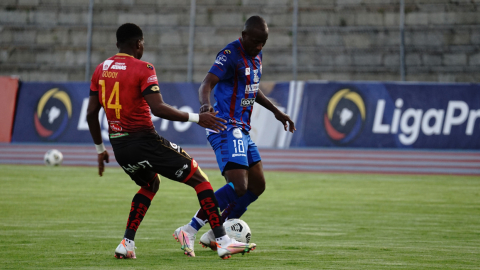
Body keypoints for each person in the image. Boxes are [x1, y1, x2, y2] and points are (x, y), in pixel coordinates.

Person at [86, 23, 256, 260]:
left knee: (150, 184)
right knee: (202, 181)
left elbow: (91, 113)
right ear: (138, 44)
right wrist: (198, 118)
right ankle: (223, 240)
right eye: (142, 43)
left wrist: (100, 149)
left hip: (119, 147)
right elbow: (158, 108)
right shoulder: (143, 68)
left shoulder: (100, 70)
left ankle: (127, 243)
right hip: (146, 142)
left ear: (117, 45)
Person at [174, 16, 296, 252]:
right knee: (239, 185)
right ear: (244, 35)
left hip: (242, 128)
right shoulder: (230, 54)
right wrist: (204, 105)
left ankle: (214, 233)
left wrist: (275, 112)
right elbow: (206, 83)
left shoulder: (256, 55)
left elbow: (252, 87)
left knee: (257, 185)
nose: (260, 47)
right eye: (257, 41)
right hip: (225, 126)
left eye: (264, 42)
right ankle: (188, 230)